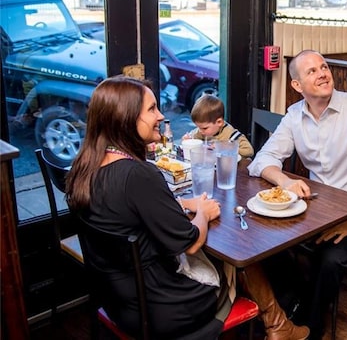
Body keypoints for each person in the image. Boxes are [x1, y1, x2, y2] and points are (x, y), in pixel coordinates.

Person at [65, 76, 308, 340]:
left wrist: (181, 203)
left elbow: (125, 211)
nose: (160, 116)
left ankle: (277, 324)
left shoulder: (84, 167)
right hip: (166, 307)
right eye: (151, 109)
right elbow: (190, 243)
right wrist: (202, 212)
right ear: (125, 118)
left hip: (118, 302)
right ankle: (277, 325)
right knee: (239, 254)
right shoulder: (138, 175)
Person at [247, 49, 347, 340]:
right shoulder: (294, 115)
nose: (323, 73)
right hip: (318, 205)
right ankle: (293, 305)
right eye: (311, 71)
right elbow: (261, 162)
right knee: (262, 242)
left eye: (323, 67)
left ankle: (311, 328)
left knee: (330, 259)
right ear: (297, 86)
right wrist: (285, 182)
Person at [182, 93, 254, 158]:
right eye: (198, 127)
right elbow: (192, 139)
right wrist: (187, 140)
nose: (200, 131)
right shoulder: (201, 132)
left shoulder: (231, 135)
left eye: (205, 128)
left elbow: (249, 151)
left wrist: (226, 147)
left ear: (219, 122)